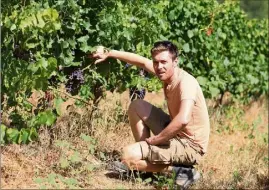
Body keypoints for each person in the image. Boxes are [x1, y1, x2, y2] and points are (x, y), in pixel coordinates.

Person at [91, 41, 210, 188]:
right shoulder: (165, 72)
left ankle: (181, 172)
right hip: (176, 133)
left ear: (175, 62)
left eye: (163, 62)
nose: (159, 67)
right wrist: (109, 53)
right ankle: (148, 164)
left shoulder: (186, 83)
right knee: (137, 105)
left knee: (127, 157)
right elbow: (140, 61)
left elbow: (183, 119)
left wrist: (156, 140)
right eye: (156, 62)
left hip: (190, 145)